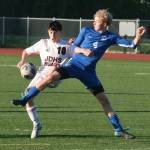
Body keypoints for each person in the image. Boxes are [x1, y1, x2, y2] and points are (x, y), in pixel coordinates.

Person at [12, 9, 146, 139]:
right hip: (74, 65)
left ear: (105, 23)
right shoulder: (85, 31)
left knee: (104, 100)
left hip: (89, 73)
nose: (93, 22)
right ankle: (25, 99)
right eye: (94, 20)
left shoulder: (111, 37)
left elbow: (132, 45)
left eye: (96, 21)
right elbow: (74, 47)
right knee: (50, 77)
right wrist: (81, 48)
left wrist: (138, 36)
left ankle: (118, 130)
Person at [14, 21, 74, 139]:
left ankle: (36, 124)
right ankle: (37, 124)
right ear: (48, 31)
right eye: (50, 32)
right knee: (27, 96)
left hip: (56, 76)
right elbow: (26, 51)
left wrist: (75, 43)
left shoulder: (66, 46)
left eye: (55, 32)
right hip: (41, 74)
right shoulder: (43, 43)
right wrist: (22, 61)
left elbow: (77, 53)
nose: (52, 34)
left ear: (59, 32)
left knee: (52, 73)